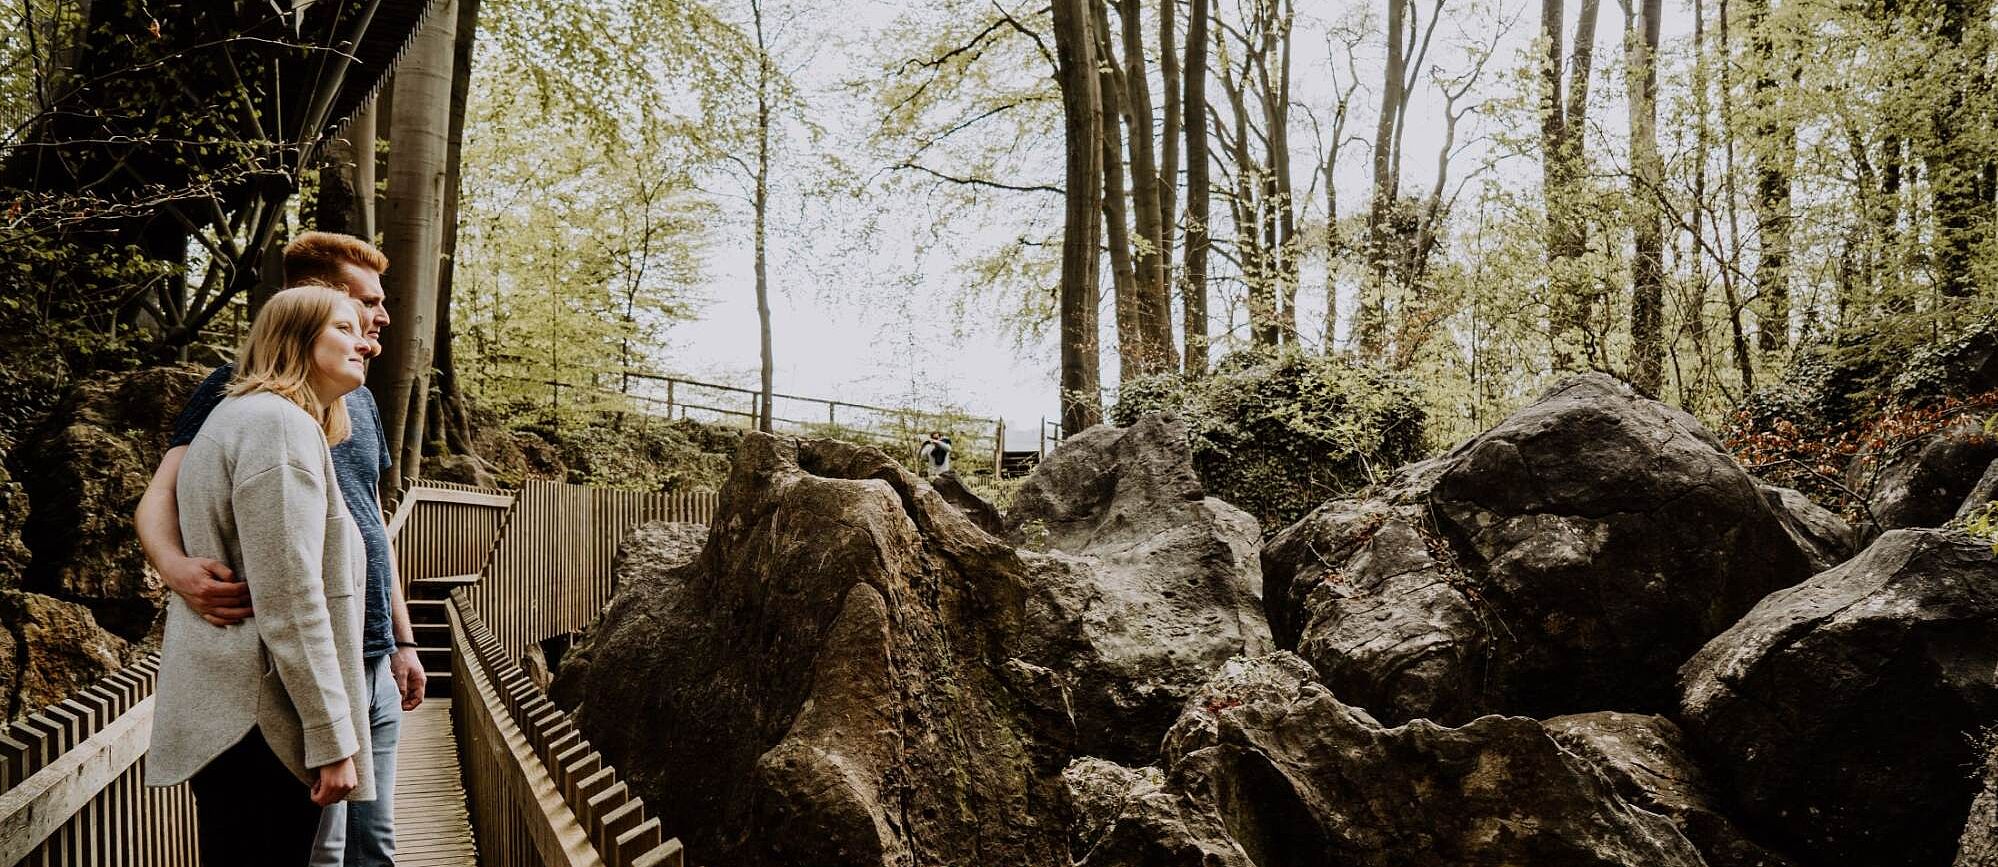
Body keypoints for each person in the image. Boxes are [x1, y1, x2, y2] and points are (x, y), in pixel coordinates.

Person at [134, 232, 421, 867]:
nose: (373, 331)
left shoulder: (326, 408)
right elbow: (291, 595)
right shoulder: (268, 419)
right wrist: (177, 568)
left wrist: (401, 639)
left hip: (358, 651)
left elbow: (368, 525)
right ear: (305, 311)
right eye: (356, 313)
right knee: (317, 852)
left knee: (367, 846)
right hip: (281, 689)